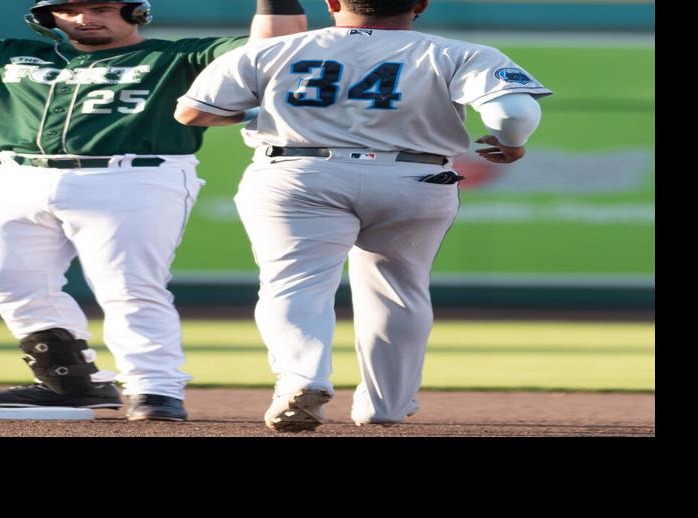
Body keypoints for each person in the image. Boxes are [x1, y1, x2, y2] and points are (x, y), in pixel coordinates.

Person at [0, 0, 307, 421]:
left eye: (102, 7)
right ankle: (71, 382)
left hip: (134, 174)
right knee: (7, 280)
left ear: (135, 11)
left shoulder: (177, 55)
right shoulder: (7, 53)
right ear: (48, 17)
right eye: (70, 9)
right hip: (20, 174)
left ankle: (156, 389)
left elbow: (276, 47)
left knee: (128, 287)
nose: (86, 17)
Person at [174, 0, 552, 431]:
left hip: (298, 171)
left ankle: (302, 378)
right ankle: (384, 406)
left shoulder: (274, 49)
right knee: (398, 289)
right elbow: (514, 112)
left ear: (333, 3)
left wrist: (264, 111)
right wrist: (512, 142)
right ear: (420, 4)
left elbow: (191, 111)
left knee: (295, 282)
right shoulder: (457, 51)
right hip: (413, 174)